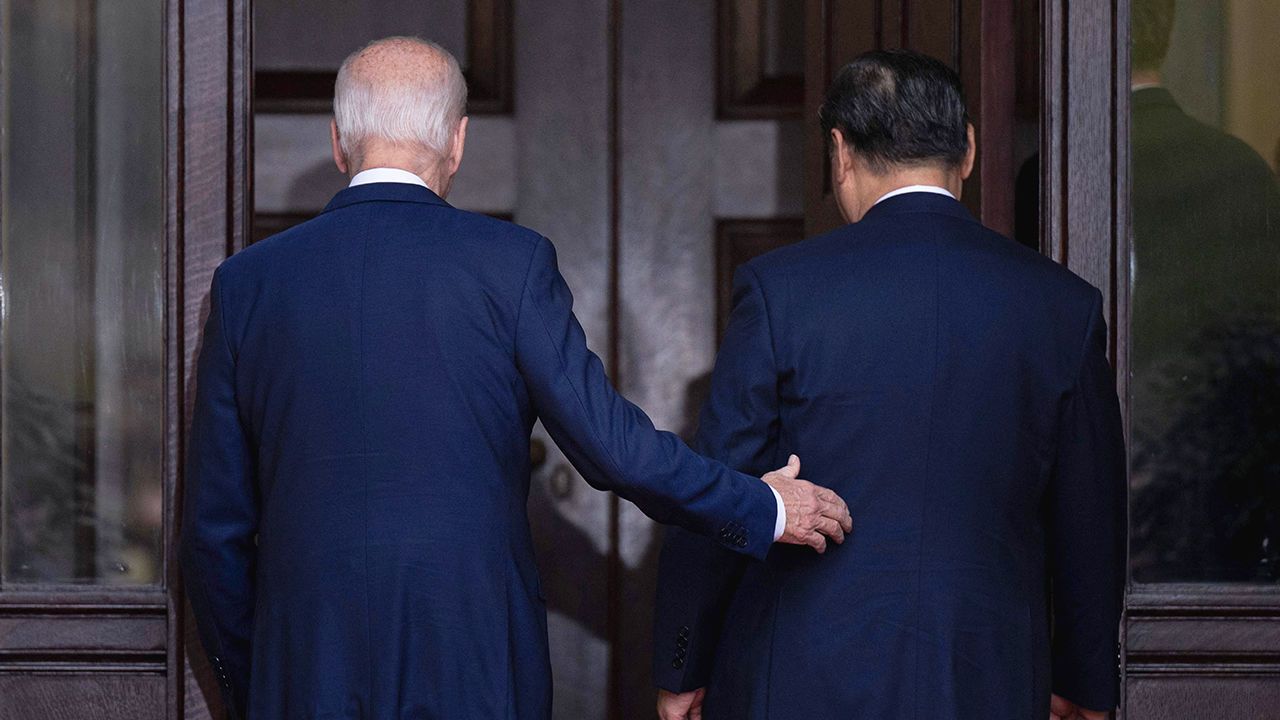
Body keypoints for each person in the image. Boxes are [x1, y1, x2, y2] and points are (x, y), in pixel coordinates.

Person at [180, 36, 851, 720]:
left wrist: (259, 685)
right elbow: (615, 449)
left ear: (338, 142)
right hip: (476, 669)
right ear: (458, 142)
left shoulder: (248, 286)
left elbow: (213, 537)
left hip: (302, 672)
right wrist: (761, 505)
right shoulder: (512, 267)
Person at [653, 49, 1125, 720]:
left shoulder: (780, 291)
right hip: (987, 679)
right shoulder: (1062, 306)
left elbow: (721, 486)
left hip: (800, 676)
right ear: (967, 149)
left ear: (839, 152)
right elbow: (1089, 522)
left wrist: (683, 663)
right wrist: (1084, 686)